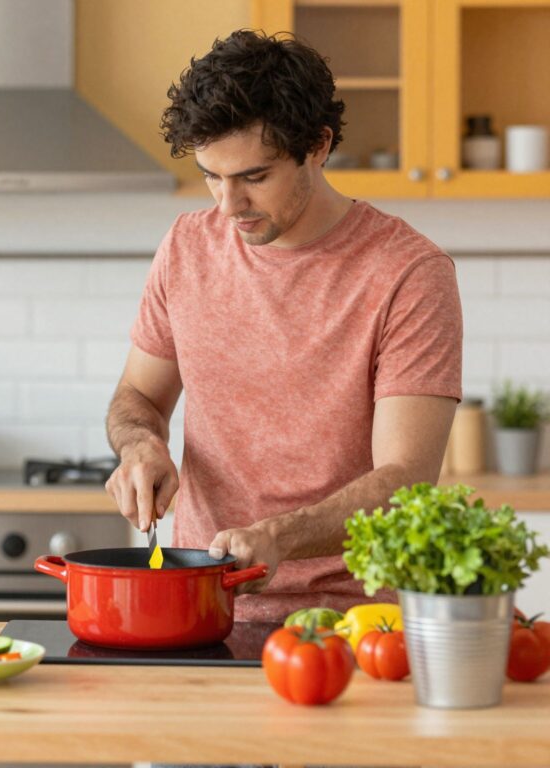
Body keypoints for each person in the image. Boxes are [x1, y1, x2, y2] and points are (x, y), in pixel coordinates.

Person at [105, 30, 463, 624]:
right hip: (201, 608)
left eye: (253, 177)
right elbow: (138, 396)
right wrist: (141, 445)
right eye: (211, 176)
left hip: (352, 623)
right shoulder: (186, 246)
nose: (227, 205)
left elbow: (405, 481)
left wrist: (280, 537)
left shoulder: (408, 273)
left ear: (317, 147)